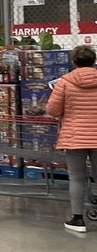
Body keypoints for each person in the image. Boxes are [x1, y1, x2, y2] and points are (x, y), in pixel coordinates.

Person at [45, 45, 97, 233]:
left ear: (74, 62)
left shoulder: (64, 82)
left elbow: (52, 110)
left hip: (75, 137)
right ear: (94, 61)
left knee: (76, 178)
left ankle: (77, 219)